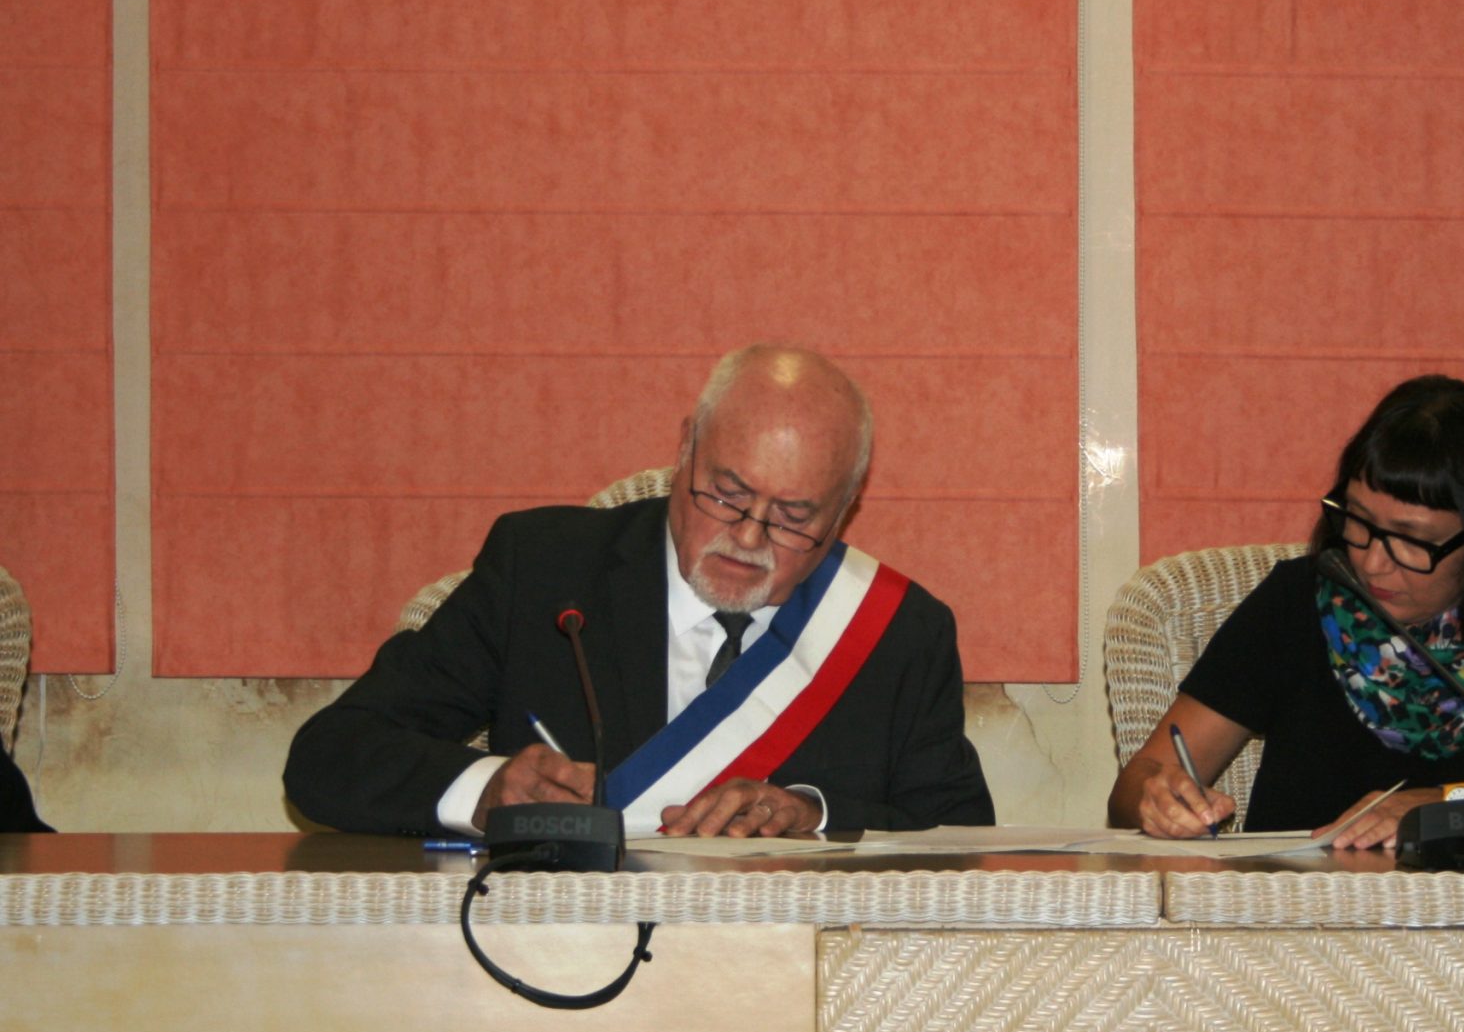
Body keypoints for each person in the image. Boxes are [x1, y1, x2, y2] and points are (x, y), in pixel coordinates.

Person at [285, 344, 993, 837]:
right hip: (563, 963)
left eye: (792, 516)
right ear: (685, 449)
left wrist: (818, 816)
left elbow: (961, 838)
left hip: (783, 981)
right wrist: (487, 789)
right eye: (727, 493)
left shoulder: (899, 633)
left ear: (843, 512)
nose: (748, 536)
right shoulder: (544, 570)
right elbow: (330, 756)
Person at [1109, 375, 1464, 846]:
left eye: (1411, 540)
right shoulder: (1296, 602)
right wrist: (1157, 798)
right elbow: (1136, 785)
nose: (1372, 562)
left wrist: (1445, 808)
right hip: (1298, 922)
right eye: (1357, 520)